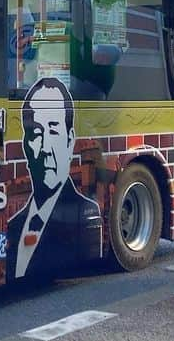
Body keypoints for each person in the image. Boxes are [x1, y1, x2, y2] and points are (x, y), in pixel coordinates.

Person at [7, 76, 103, 279]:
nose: (45, 148)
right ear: (25, 145)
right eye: (36, 133)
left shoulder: (85, 211)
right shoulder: (14, 225)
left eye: (53, 130)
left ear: (70, 142)